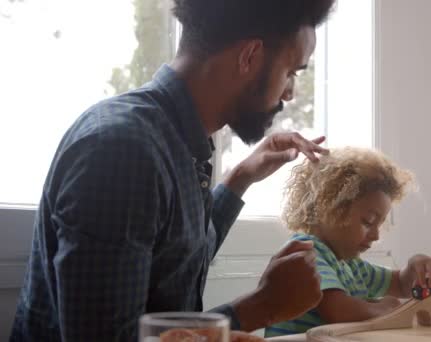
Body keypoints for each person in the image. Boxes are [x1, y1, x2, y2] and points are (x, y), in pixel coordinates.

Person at [10, 0, 336, 341]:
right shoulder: (122, 151)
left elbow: (177, 261)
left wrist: (242, 178)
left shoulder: (175, 141)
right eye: (291, 73)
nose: (290, 93)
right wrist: (262, 306)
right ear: (249, 56)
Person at [264, 147, 431, 337]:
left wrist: (414, 269)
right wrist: (386, 308)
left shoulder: (352, 266)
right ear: (330, 210)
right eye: (368, 221)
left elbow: (401, 284)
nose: (376, 235)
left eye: (380, 224)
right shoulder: (306, 252)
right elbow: (338, 310)